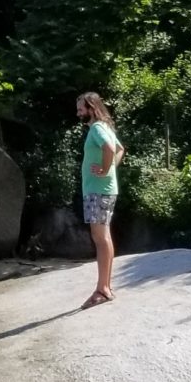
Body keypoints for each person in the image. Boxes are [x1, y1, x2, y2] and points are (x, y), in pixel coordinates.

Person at [76, 92, 122, 306]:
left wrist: (104, 170)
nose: (79, 114)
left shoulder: (96, 128)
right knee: (104, 237)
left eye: (81, 109)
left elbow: (112, 149)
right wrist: (110, 168)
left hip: (98, 190)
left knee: (100, 237)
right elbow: (121, 150)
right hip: (103, 189)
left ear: (91, 108)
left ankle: (102, 289)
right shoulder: (105, 127)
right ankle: (106, 287)